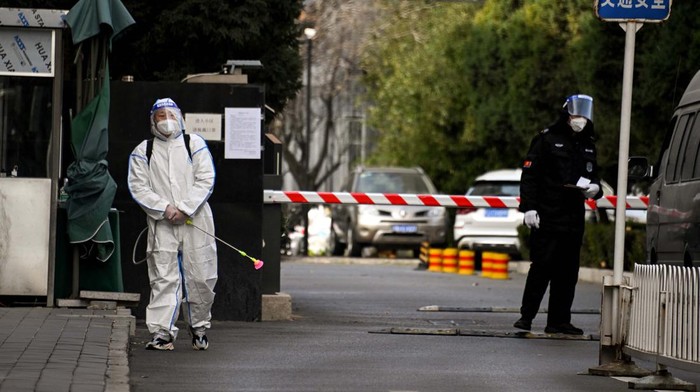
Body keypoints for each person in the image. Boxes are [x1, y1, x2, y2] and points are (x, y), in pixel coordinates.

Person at [128, 98, 217, 350]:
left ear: (179, 116)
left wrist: (186, 208)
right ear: (152, 121)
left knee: (201, 275)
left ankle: (199, 327)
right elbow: (138, 187)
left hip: (195, 220)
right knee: (163, 277)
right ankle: (162, 333)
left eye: (170, 114)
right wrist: (165, 209)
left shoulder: (194, 144)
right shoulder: (143, 151)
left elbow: (206, 179)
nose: (165, 120)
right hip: (163, 223)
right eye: (160, 116)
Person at [514, 94, 602, 335]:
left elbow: (595, 178)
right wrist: (529, 208)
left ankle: (559, 320)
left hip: (573, 218)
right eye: (576, 114)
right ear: (566, 114)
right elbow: (529, 177)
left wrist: (595, 190)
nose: (580, 119)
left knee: (567, 272)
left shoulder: (588, 144)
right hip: (547, 215)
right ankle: (526, 317)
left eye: (584, 115)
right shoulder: (546, 140)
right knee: (541, 268)